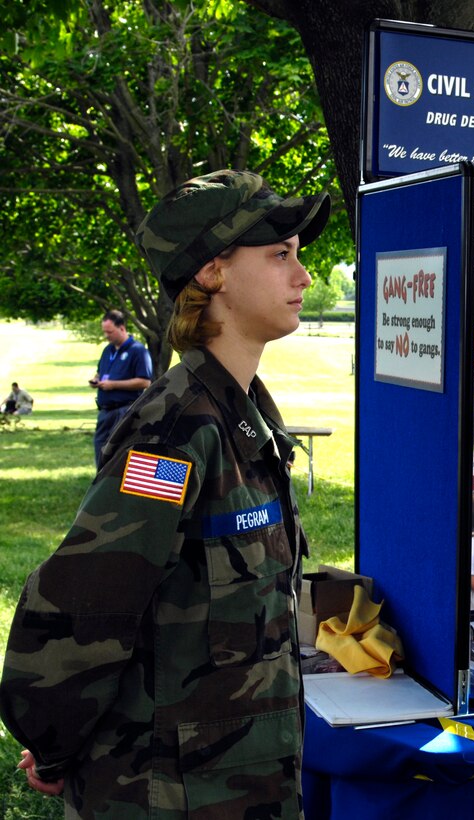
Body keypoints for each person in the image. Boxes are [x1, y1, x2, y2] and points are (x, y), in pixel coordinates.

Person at [1, 168, 330, 817]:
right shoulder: (175, 431)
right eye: (279, 255)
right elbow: (85, 603)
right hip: (167, 795)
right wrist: (55, 743)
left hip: (237, 783)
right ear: (212, 272)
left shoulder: (241, 412)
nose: (304, 277)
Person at [90, 309, 153, 468]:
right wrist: (96, 380)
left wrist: (114, 385)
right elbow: (100, 371)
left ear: (122, 328)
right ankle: (101, 485)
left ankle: (116, 486)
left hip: (125, 409)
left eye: (110, 332)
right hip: (105, 410)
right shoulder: (108, 350)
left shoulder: (137, 351)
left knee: (119, 452)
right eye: (104, 332)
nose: (107, 336)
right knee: (100, 448)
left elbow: (145, 382)